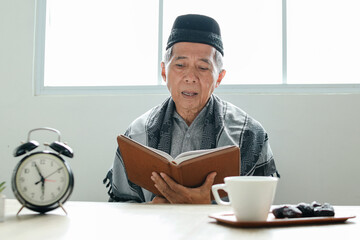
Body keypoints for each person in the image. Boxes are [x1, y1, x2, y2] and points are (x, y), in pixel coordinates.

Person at [103, 14, 279, 204]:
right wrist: (150, 210)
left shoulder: (249, 134)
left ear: (219, 78)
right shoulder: (137, 135)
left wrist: (207, 207)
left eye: (203, 68)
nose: (190, 77)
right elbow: (118, 209)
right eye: (180, 65)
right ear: (164, 72)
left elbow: (261, 209)